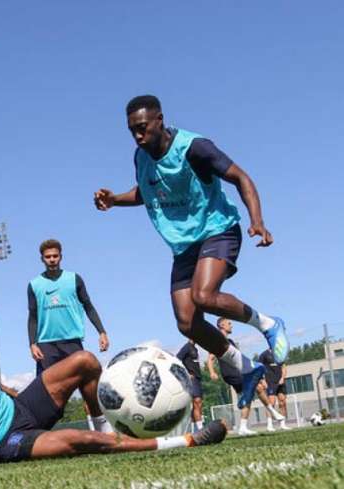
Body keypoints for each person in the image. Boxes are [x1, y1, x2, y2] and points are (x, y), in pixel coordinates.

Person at [93, 94, 288, 411]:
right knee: (187, 322)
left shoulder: (195, 148)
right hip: (184, 246)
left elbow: (241, 177)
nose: (138, 136)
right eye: (132, 131)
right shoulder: (140, 157)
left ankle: (268, 323)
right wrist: (115, 199)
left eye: (143, 128)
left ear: (160, 120)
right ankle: (248, 368)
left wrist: (258, 221)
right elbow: (147, 191)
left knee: (204, 295)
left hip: (217, 229)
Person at [0, 306, 226, 471]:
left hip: (19, 411)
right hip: (1, 443)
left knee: (86, 360)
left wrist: (10, 391)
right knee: (79, 442)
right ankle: (185, 440)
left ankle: (105, 426)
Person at [28, 239, 112, 431]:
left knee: (87, 386)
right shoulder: (34, 285)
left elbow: (88, 306)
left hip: (72, 342)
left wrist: (101, 331)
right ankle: (39, 432)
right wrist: (32, 343)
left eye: (55, 256)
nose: (52, 260)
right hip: (46, 345)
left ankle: (102, 430)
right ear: (42, 259)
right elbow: (32, 316)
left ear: (61, 256)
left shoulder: (74, 279)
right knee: (44, 392)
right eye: (48, 257)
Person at [207, 319, 284, 435]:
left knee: (250, 394)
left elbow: (240, 360)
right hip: (231, 373)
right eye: (229, 323)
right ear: (222, 325)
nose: (231, 325)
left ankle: (243, 427)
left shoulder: (230, 341)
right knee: (257, 388)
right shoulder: (218, 340)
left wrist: (260, 377)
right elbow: (210, 358)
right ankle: (271, 411)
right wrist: (212, 372)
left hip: (237, 372)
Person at [259, 348, 291, 431]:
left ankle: (282, 424)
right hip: (270, 382)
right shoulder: (264, 355)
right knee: (271, 403)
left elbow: (284, 367)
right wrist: (263, 380)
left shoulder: (280, 353)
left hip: (280, 381)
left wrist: (282, 378)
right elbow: (259, 369)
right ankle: (269, 425)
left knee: (283, 402)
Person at [176, 339, 204, 432]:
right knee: (197, 401)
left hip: (198, 378)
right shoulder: (186, 347)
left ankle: (194, 429)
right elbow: (177, 359)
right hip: (192, 379)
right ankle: (200, 429)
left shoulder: (194, 349)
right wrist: (186, 373)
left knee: (199, 404)